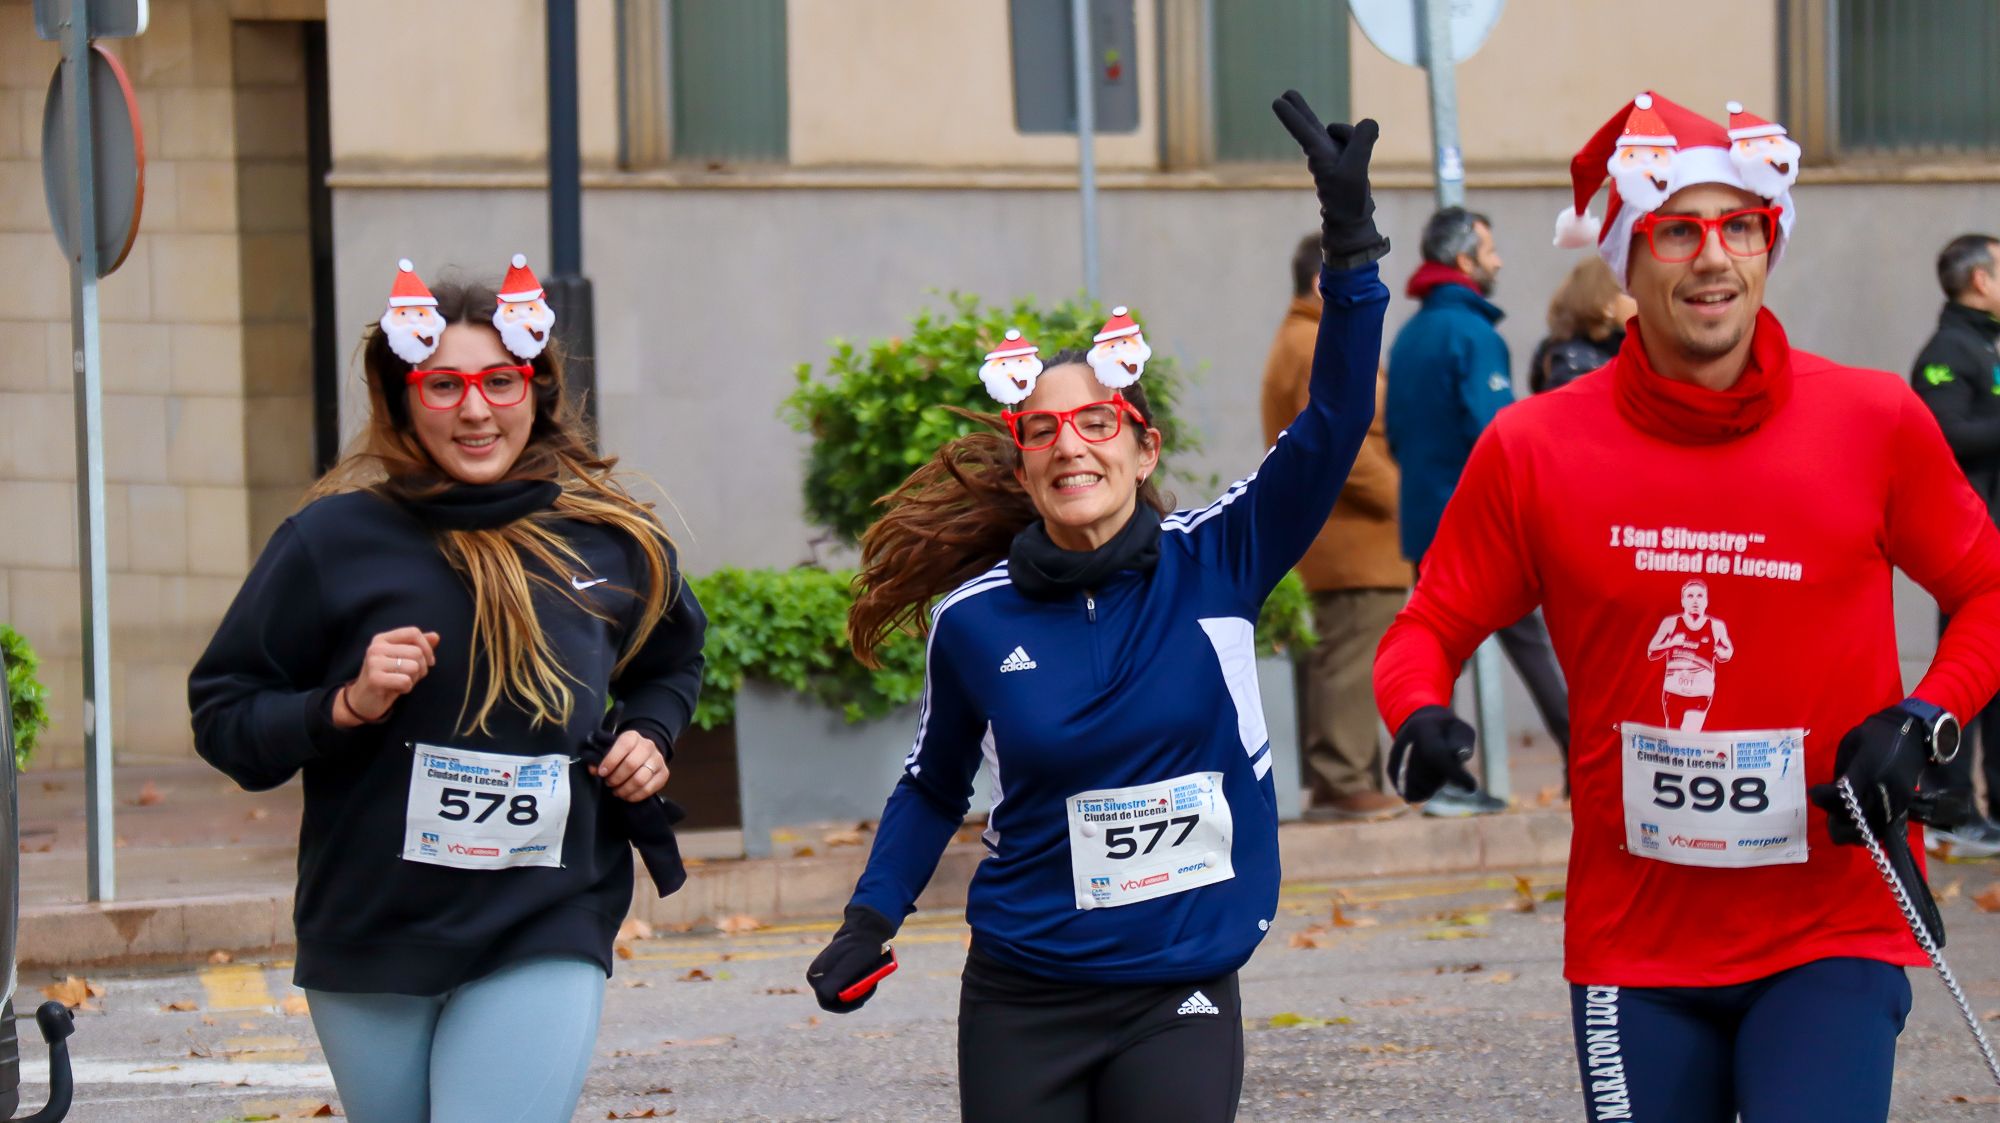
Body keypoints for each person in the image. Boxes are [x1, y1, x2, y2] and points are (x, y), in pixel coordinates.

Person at [1375, 91, 2000, 1122]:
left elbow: (1984, 590)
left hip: (1830, 921)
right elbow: (1426, 627)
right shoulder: (1533, 448)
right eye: (1676, 230)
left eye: (1739, 227)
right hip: (1635, 940)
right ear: (1625, 261)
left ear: (1766, 245)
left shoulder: (1871, 419)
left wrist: (1923, 718)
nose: (1711, 258)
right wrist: (1418, 714)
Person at [803, 91, 1389, 1123]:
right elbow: (935, 786)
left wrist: (1349, 252)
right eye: (1042, 431)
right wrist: (869, 917)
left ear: (1140, 445)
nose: (1070, 443)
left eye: (1096, 421)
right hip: (1024, 988)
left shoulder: (1218, 557)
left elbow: (1335, 418)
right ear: (1023, 467)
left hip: (1180, 984)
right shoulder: (975, 623)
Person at [188, 256, 706, 1123]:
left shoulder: (611, 540)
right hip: (373, 927)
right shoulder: (330, 540)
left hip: (546, 914)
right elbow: (224, 715)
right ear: (403, 398)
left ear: (535, 389)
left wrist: (648, 734)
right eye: (444, 384)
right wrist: (343, 704)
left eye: (500, 381)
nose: (475, 409)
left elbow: (670, 661)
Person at [1385, 207, 1571, 815]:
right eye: (1488, 251)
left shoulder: (1409, 338)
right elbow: (1502, 436)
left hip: (1424, 519)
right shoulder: (1474, 337)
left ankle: (1441, 780)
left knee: (1438, 652)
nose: (1497, 261)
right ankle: (1586, 758)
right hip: (1481, 530)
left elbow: (1396, 438)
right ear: (1464, 260)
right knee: (1534, 645)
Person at [1260, 232, 1410, 821]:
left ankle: (1353, 777)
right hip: (1351, 538)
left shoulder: (1304, 337)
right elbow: (1337, 440)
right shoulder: (1313, 342)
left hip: (1346, 537)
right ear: (1327, 282)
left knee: (1352, 658)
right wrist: (1406, 497)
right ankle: (1343, 780)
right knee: (1349, 660)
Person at [1908, 232, 2000, 858]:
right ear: (1980, 281)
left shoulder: (1990, 344)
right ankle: (1951, 807)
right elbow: (1944, 434)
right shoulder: (1946, 351)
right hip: (1971, 542)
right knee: (1967, 674)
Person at [1528, 256, 1637, 393]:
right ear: (1606, 305)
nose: (1639, 300)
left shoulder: (1611, 353)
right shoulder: (1575, 367)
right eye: (1629, 292)